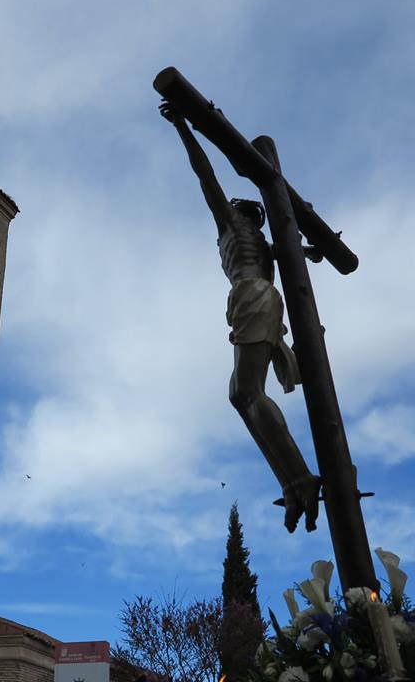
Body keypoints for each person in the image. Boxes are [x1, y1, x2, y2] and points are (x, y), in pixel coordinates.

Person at [160, 102, 321, 533]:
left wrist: (183, 126)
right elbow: (302, 253)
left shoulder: (233, 227)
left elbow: (205, 175)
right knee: (239, 395)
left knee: (248, 391)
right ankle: (290, 482)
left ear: (241, 213)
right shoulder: (269, 248)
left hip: (251, 296)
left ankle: (302, 478)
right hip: (257, 300)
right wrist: (313, 248)